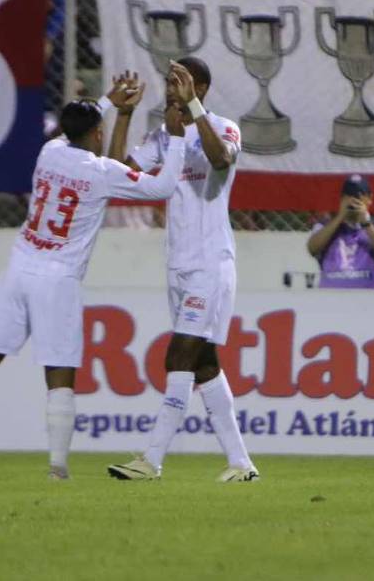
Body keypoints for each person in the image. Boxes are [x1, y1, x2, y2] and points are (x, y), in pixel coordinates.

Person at [0, 73, 189, 481]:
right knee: (60, 373)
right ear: (98, 134)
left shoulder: (49, 152)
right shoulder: (100, 171)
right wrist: (177, 139)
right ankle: (57, 467)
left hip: (19, 266)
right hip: (58, 278)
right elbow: (163, 187)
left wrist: (108, 102)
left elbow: (75, 130)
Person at [106, 59, 258, 483]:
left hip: (210, 263)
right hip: (178, 264)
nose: (170, 89)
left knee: (178, 357)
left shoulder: (223, 127)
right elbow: (120, 173)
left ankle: (151, 460)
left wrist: (193, 109)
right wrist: (124, 115)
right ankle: (241, 464)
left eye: (179, 83)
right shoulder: (164, 135)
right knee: (204, 365)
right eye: (168, 83)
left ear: (201, 87)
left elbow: (221, 160)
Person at [305, 174, 374, 289]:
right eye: (349, 195)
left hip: (372, 298)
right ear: (341, 199)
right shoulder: (325, 226)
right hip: (331, 297)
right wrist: (340, 217)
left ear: (369, 199)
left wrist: (366, 224)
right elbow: (312, 248)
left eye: (359, 195)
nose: (353, 200)